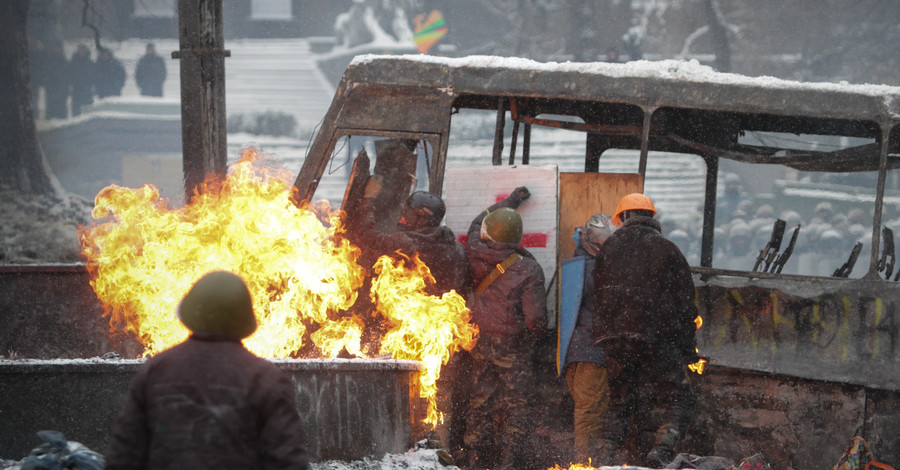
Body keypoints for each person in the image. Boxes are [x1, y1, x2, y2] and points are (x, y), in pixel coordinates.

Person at [105, 271, 310, 470]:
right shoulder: (266, 379)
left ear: (189, 315)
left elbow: (124, 456)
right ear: (244, 322)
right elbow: (288, 461)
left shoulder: (155, 371)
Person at [358, 179, 473, 458]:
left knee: (406, 407)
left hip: (410, 339)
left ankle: (409, 459)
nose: (401, 217)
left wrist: (369, 200)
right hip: (444, 341)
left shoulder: (405, 244)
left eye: (407, 213)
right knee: (439, 406)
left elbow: (365, 235)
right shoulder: (456, 249)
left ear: (420, 218)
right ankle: (438, 459)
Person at [592, 193, 698, 468]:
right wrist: (687, 350)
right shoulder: (667, 249)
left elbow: (599, 297)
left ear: (623, 217)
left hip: (613, 340)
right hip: (655, 339)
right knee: (680, 395)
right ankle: (660, 453)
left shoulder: (607, 249)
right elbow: (687, 306)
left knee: (619, 401)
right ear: (652, 217)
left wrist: (607, 337)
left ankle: (603, 457)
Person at [463, 187, 547, 470]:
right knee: (517, 406)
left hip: (480, 342)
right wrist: (538, 340)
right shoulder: (528, 269)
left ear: (488, 232)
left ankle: (474, 460)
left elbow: (477, 222)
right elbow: (535, 319)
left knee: (480, 402)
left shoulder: (474, 250)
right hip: (513, 346)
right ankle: (509, 464)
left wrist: (511, 201)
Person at [561, 213, 615, 464]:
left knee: (588, 412)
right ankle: (584, 465)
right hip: (590, 353)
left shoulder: (579, 265)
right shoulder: (596, 272)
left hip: (579, 352)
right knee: (589, 415)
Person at [68, 44, 94, 116]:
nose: (82, 51)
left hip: (88, 89)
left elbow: (94, 75)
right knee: (76, 110)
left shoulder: (90, 62)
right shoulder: (73, 62)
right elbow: (69, 75)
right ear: (78, 51)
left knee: (88, 110)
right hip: (76, 89)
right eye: (80, 50)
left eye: (83, 50)